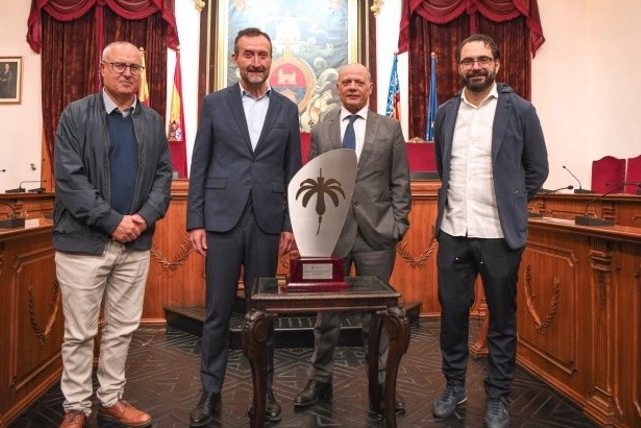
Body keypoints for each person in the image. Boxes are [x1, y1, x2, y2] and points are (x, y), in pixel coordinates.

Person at [431, 34, 548, 428]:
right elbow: (440, 166)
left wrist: (512, 200)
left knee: (500, 320)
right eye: (467, 61)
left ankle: (498, 397)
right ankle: (453, 386)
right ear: (459, 66)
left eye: (482, 59)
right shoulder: (445, 113)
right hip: (453, 232)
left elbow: (538, 168)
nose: (475, 66)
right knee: (452, 318)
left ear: (497, 63)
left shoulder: (521, 110)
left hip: (499, 235)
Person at [53, 41, 173, 428]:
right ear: (101, 69)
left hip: (135, 243)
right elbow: (70, 181)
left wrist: (144, 217)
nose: (127, 73)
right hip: (82, 244)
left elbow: (162, 176)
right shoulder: (75, 115)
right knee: (79, 333)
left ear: (141, 73)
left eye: (134, 67)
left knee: (122, 329)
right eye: (118, 66)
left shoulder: (153, 121)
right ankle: (75, 406)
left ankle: (110, 399)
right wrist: (111, 220)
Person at [187, 27, 301, 427]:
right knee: (218, 311)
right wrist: (195, 220)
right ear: (235, 58)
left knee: (263, 312)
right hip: (221, 219)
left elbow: (293, 171)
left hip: (268, 221)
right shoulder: (214, 104)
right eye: (248, 54)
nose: (256, 62)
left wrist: (291, 224)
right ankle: (210, 392)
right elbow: (199, 164)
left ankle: (263, 388)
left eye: (263, 55)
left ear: (271, 60)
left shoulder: (287, 109)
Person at [293, 63, 411, 414]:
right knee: (325, 315)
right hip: (329, 236)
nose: (353, 87)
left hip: (377, 234)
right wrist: (311, 230)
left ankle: (380, 383)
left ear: (370, 87)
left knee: (375, 316)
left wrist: (398, 224)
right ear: (338, 88)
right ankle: (319, 379)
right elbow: (311, 180)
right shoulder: (323, 127)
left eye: (360, 82)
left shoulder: (389, 128)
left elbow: (400, 182)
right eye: (347, 82)